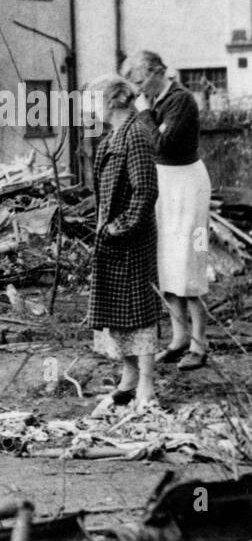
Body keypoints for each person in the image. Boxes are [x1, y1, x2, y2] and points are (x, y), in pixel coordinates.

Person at [122, 50, 210, 370]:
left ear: (158, 71)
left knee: (188, 262)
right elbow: (148, 141)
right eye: (134, 83)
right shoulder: (155, 102)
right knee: (167, 264)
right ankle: (178, 339)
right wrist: (148, 119)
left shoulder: (180, 100)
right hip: (165, 184)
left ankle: (200, 345)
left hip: (187, 185)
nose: (139, 88)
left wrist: (145, 115)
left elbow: (161, 145)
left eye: (141, 79)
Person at [86, 74, 161, 408]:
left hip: (131, 240)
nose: (90, 109)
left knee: (139, 312)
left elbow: (145, 191)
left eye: (92, 101)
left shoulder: (137, 135)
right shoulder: (110, 138)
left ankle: (147, 384)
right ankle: (128, 378)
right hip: (111, 240)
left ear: (111, 100)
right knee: (116, 314)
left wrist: (120, 228)